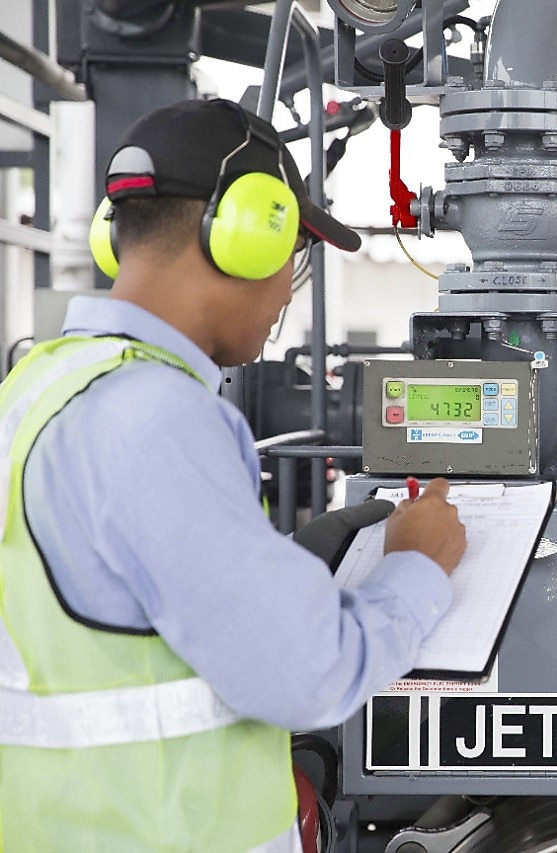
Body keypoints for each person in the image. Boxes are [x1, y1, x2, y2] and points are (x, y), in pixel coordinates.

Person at [0, 98, 466, 852]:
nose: (286, 290)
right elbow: (309, 674)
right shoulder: (158, 414)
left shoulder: (41, 384)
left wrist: (282, 569)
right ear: (248, 235)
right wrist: (417, 566)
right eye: (293, 253)